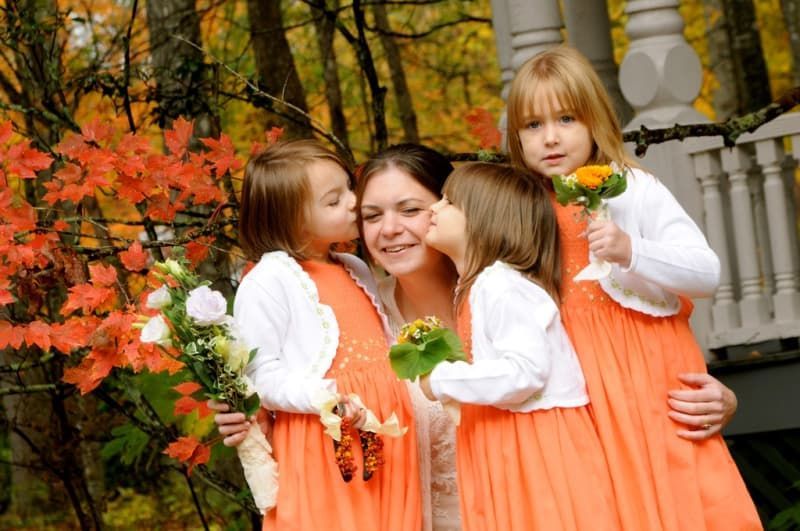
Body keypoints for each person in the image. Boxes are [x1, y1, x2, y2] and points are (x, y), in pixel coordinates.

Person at [506, 44, 761, 530]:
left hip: (646, 375)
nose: (550, 138)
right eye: (532, 125)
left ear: (595, 119)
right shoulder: (522, 207)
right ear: (517, 137)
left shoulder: (633, 187)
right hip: (580, 384)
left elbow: (705, 273)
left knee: (676, 494)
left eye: (566, 118)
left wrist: (631, 250)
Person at [223, 139, 421, 530]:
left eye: (349, 187)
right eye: (333, 201)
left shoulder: (353, 266)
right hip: (327, 440)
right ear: (293, 221)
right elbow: (260, 373)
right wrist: (324, 397)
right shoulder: (268, 280)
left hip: (387, 429)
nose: (353, 202)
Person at [419, 161, 621, 531]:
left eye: (448, 202)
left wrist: (442, 380)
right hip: (514, 443)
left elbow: (524, 372)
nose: (433, 207)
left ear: (484, 220)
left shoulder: (501, 286)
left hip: (539, 448)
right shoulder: (481, 287)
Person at [356, 143, 461, 531]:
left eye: (410, 210)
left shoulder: (503, 297)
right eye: (372, 216)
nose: (389, 229)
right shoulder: (360, 314)